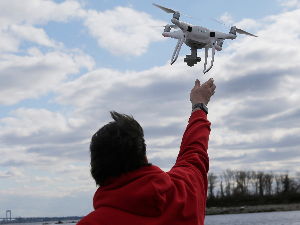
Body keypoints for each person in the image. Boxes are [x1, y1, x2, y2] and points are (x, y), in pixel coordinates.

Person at [77, 78, 216, 225]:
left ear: (93, 167)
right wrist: (199, 105)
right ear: (144, 158)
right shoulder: (186, 193)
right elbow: (195, 151)